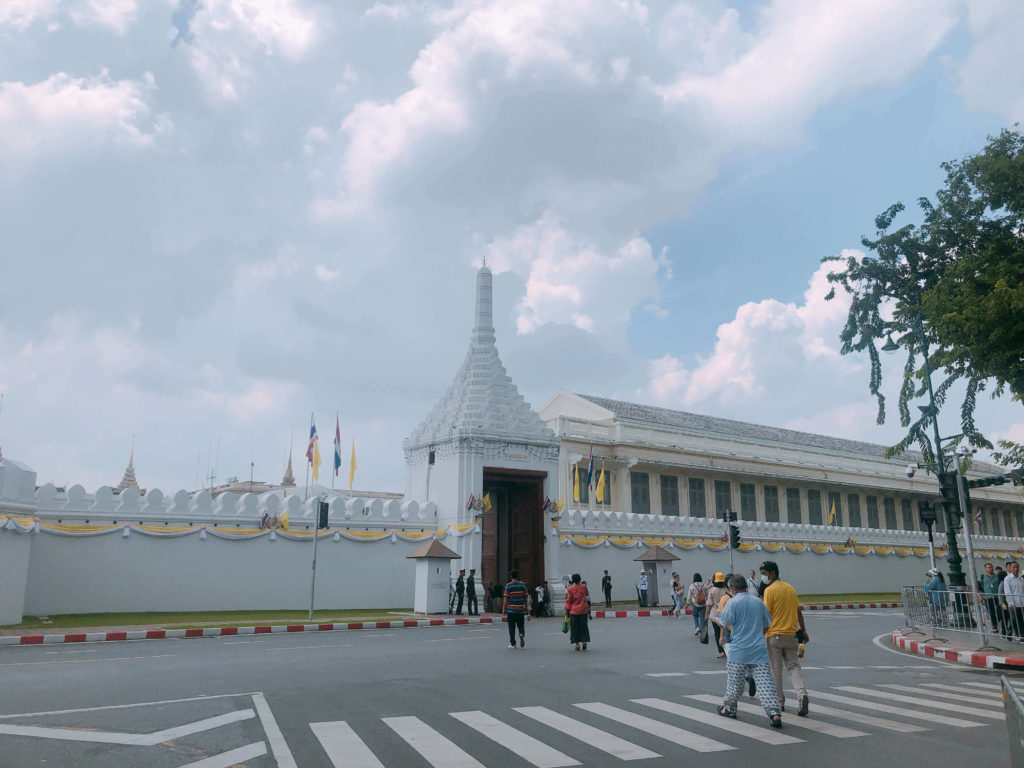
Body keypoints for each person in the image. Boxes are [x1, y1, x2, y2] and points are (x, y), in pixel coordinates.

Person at [715, 573, 782, 728]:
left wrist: (716, 620)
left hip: (738, 651)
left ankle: (729, 708)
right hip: (759, 650)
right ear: (745, 586)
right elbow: (767, 624)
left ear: (732, 588)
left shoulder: (732, 603)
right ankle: (774, 713)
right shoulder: (758, 602)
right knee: (766, 684)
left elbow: (724, 622)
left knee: (735, 684)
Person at [760, 560, 809, 717]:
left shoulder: (769, 591)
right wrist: (804, 631)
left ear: (773, 573)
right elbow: (798, 612)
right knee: (794, 667)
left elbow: (766, 616)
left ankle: (779, 702)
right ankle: (802, 694)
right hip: (792, 635)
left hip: (774, 636)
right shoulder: (790, 589)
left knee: (776, 669)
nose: (763, 578)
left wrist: (761, 634)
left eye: (764, 574)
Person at [503, 569, 530, 648]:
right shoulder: (522, 585)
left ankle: (513, 643)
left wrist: (504, 609)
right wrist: (526, 608)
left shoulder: (509, 585)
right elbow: (526, 597)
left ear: (511, 576)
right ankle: (521, 633)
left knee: (511, 627)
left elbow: (506, 598)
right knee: (521, 624)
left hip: (511, 610)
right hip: (520, 609)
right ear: (518, 576)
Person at [564, 573, 591, 651]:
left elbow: (569, 601)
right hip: (583, 610)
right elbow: (587, 594)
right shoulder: (584, 587)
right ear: (580, 579)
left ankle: (577, 645)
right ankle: (584, 642)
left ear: (573, 580)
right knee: (584, 626)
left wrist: (566, 611)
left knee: (575, 628)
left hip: (574, 611)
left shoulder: (570, 589)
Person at [705, 572, 729, 658]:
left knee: (717, 633)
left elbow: (709, 604)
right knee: (727, 632)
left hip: (715, 614)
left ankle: (721, 652)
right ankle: (727, 649)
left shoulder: (712, 590)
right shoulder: (727, 590)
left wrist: (706, 615)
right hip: (726, 613)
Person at [1001, 561, 1024, 639]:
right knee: (1015, 620)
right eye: (1014, 567)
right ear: (1010, 568)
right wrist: (1010, 603)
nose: (1016, 569)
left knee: (1021, 619)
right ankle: (1017, 635)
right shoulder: (1007, 579)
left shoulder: (1022, 577)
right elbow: (1007, 592)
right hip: (1014, 603)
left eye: (1017, 567)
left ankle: (1020, 634)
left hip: (1022, 601)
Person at [979, 562, 1002, 636]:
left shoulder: (997, 577)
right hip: (988, 597)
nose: (990, 569)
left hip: (997, 597)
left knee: (999, 611)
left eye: (991, 567)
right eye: (988, 567)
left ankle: (1000, 623)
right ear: (985, 568)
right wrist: (980, 594)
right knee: (991, 612)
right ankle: (994, 627)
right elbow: (979, 586)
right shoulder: (982, 577)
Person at [686, 573, 707, 637]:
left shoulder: (692, 586)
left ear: (694, 578)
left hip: (695, 604)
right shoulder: (704, 585)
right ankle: (702, 629)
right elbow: (707, 593)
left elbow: (689, 595)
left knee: (695, 615)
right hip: (703, 604)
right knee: (702, 617)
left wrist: (687, 603)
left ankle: (697, 627)